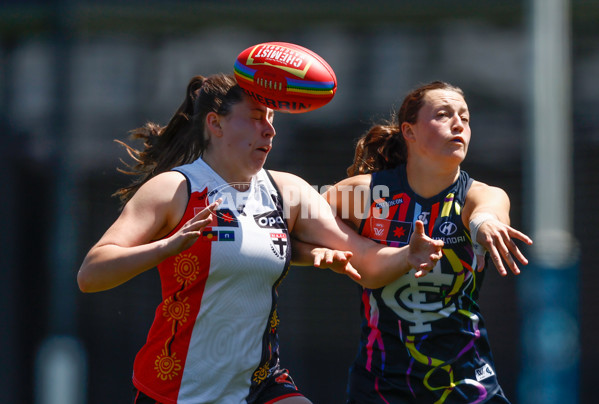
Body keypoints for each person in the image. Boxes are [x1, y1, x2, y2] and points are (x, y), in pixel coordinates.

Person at [76, 73, 445, 404]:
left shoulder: (288, 191)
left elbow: (364, 258)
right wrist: (166, 247)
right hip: (178, 389)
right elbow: (91, 274)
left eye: (272, 119)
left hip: (260, 383)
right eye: (255, 118)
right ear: (215, 124)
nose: (268, 130)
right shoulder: (175, 188)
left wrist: (406, 256)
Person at [322, 81, 533, 403]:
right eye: (444, 114)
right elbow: (295, 223)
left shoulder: (480, 194)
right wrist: (320, 249)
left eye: (465, 116)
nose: (459, 123)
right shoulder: (363, 193)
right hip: (381, 385)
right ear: (409, 131)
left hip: (465, 383)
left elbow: (487, 213)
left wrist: (486, 224)